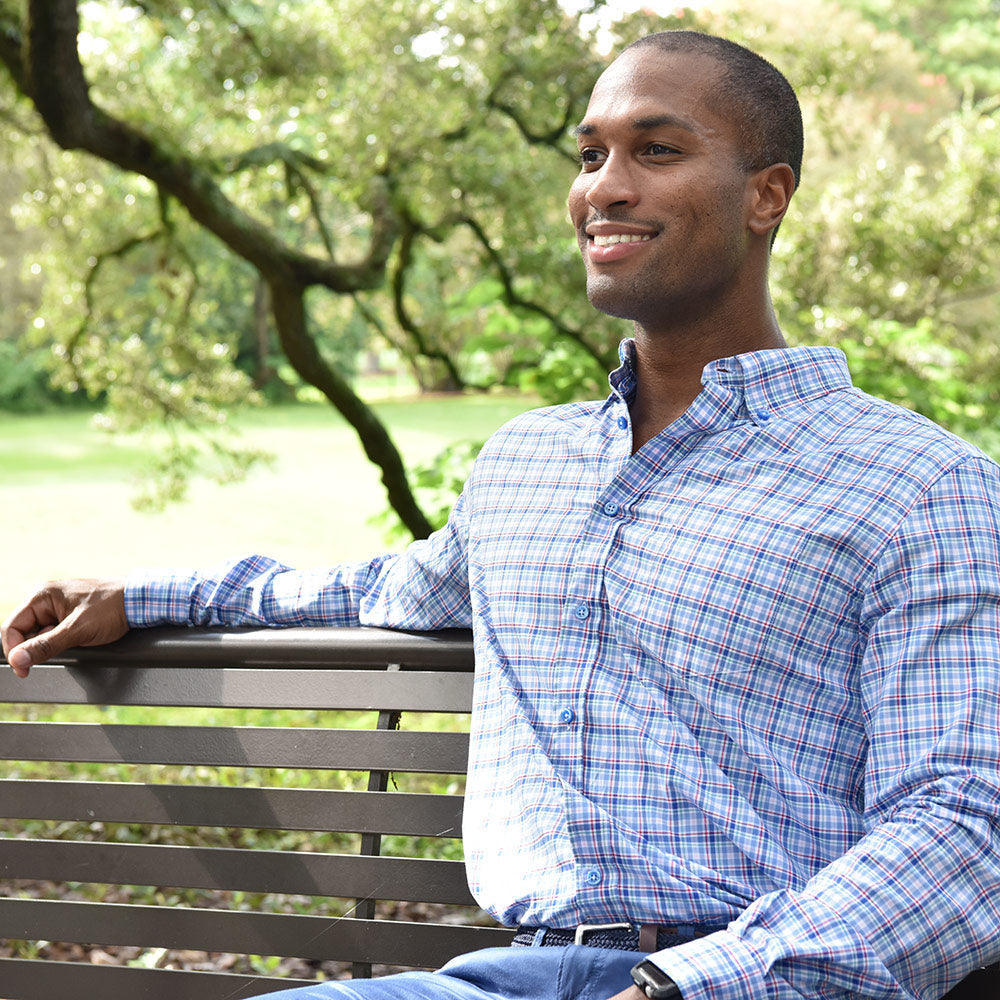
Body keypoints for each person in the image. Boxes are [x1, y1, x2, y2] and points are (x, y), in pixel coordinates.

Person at [3, 29, 999, 1000]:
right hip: (502, 975)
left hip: (748, 974)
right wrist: (142, 594)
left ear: (766, 195)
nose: (602, 186)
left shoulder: (918, 487)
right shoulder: (530, 462)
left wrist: (685, 986)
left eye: (656, 149)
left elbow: (964, 824)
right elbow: (379, 589)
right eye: (589, 153)